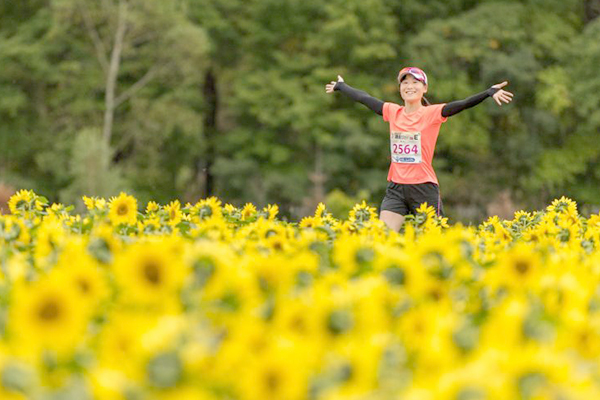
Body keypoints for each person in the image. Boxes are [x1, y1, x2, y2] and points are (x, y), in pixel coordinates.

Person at [325, 67, 513, 231]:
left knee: (433, 242)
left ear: (424, 88)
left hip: (424, 188)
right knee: (381, 237)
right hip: (396, 190)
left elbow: (462, 104)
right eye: (405, 82)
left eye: (415, 82)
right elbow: (364, 98)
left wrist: (488, 93)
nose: (409, 86)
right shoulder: (393, 112)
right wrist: (341, 86)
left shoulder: (432, 114)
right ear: (400, 89)